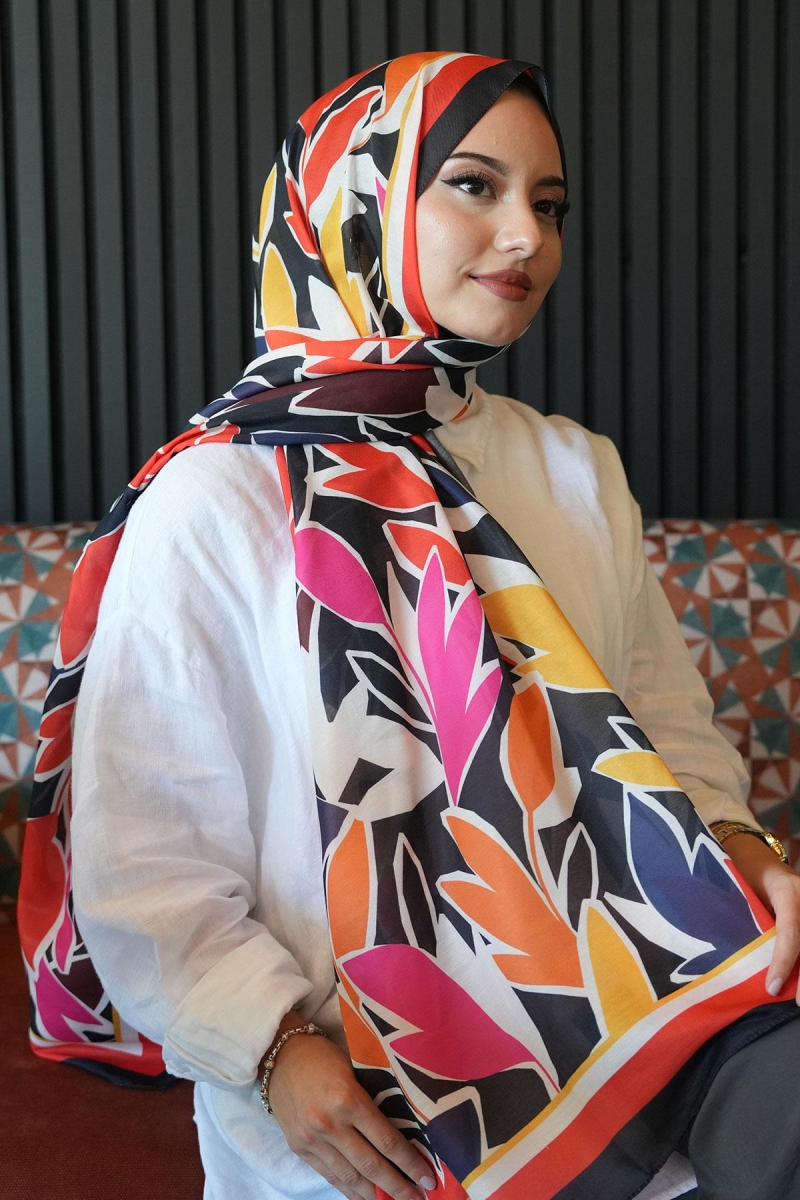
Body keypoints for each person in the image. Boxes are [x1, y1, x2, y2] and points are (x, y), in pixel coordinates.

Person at [28, 51, 800, 1200]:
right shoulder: (215, 497)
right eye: (474, 185)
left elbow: (663, 731)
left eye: (549, 204)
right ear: (356, 205)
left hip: (642, 1024)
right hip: (353, 1113)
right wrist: (269, 1047)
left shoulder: (574, 470)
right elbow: (146, 851)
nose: (527, 236)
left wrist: (739, 845)